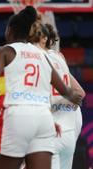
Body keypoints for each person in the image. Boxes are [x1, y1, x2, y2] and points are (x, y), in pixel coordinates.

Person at [0, 6, 83, 169]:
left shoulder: (5, 51)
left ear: (10, 30)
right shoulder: (43, 55)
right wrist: (74, 97)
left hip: (17, 116)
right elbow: (64, 89)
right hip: (44, 119)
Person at [28, 22, 86, 169]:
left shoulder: (34, 58)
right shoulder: (59, 57)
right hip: (68, 134)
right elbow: (80, 93)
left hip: (50, 132)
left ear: (44, 38)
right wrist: (61, 101)